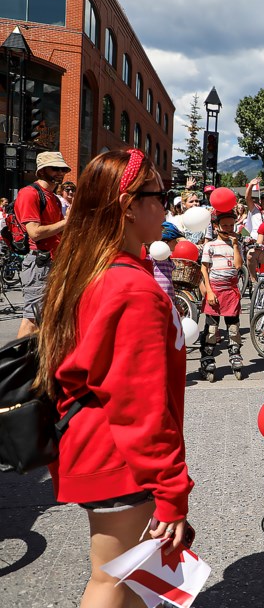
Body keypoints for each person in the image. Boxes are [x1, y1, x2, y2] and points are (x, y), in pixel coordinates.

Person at [36, 149, 193, 607]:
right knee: (112, 581)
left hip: (105, 446)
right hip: (121, 455)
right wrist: (171, 489)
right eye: (160, 196)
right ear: (128, 205)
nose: (167, 206)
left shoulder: (99, 269)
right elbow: (138, 404)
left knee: (133, 581)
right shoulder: (132, 287)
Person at [13, 150, 68, 338]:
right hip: (39, 263)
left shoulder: (52, 197)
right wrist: (67, 221)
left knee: (46, 317)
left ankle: (34, 362)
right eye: (56, 168)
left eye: (63, 169)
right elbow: (34, 233)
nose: (60, 173)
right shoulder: (29, 193)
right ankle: (16, 364)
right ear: (43, 170)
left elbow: (59, 231)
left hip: (52, 261)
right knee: (32, 319)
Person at [199, 210, 244, 380]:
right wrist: (209, 291)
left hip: (231, 291)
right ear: (216, 227)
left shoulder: (235, 245)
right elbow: (204, 269)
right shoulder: (210, 246)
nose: (228, 228)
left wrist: (235, 246)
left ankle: (235, 355)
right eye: (225, 225)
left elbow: (238, 266)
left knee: (233, 329)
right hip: (215, 290)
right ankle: (207, 359)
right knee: (211, 329)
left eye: (231, 225)